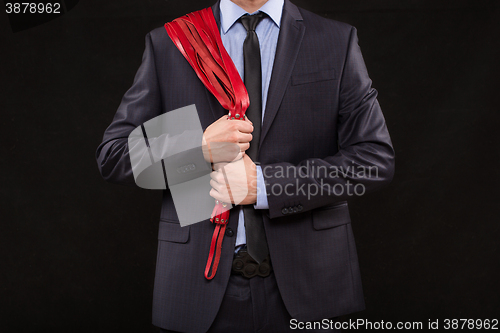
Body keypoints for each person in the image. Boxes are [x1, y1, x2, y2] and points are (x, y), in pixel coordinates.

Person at [96, 0, 395, 332]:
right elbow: (115, 156)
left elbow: (373, 160)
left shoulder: (335, 40)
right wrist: (198, 149)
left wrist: (265, 186)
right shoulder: (170, 42)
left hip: (312, 283)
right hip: (198, 286)